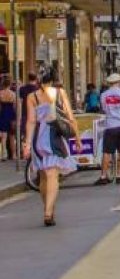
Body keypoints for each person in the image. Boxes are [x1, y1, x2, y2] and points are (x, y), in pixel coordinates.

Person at [23, 68, 81, 226]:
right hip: (54, 137)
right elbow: (70, 117)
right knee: (52, 175)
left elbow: (31, 121)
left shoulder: (31, 96)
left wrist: (27, 144)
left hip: (37, 139)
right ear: (54, 79)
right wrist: (76, 138)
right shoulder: (60, 93)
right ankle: (48, 212)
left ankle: (48, 210)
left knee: (43, 175)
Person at [95, 72, 120, 185]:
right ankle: (119, 176)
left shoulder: (104, 95)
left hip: (110, 126)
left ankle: (103, 176)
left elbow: (103, 109)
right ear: (119, 82)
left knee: (106, 152)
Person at [18, 72, 38, 145]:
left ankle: (26, 151)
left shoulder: (22, 89)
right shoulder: (38, 89)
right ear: (36, 79)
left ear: (28, 78)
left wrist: (19, 116)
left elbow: (19, 102)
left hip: (25, 113)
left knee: (25, 135)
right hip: (36, 114)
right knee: (36, 135)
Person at [0, 74, 17, 160]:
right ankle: (14, 155)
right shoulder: (13, 94)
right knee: (12, 136)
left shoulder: (0, 93)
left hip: (3, 114)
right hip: (11, 114)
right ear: (9, 84)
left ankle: (4, 154)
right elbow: (15, 106)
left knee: (3, 135)